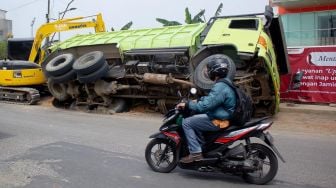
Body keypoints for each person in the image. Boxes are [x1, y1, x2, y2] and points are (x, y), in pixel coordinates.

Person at [176, 56, 236, 163]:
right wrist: (198, 100)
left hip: (219, 120)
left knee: (187, 122)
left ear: (214, 71)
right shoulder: (226, 83)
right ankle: (202, 146)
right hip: (223, 117)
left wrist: (188, 104)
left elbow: (204, 106)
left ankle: (195, 153)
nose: (208, 72)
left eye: (209, 69)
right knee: (195, 119)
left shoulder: (220, 86)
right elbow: (212, 100)